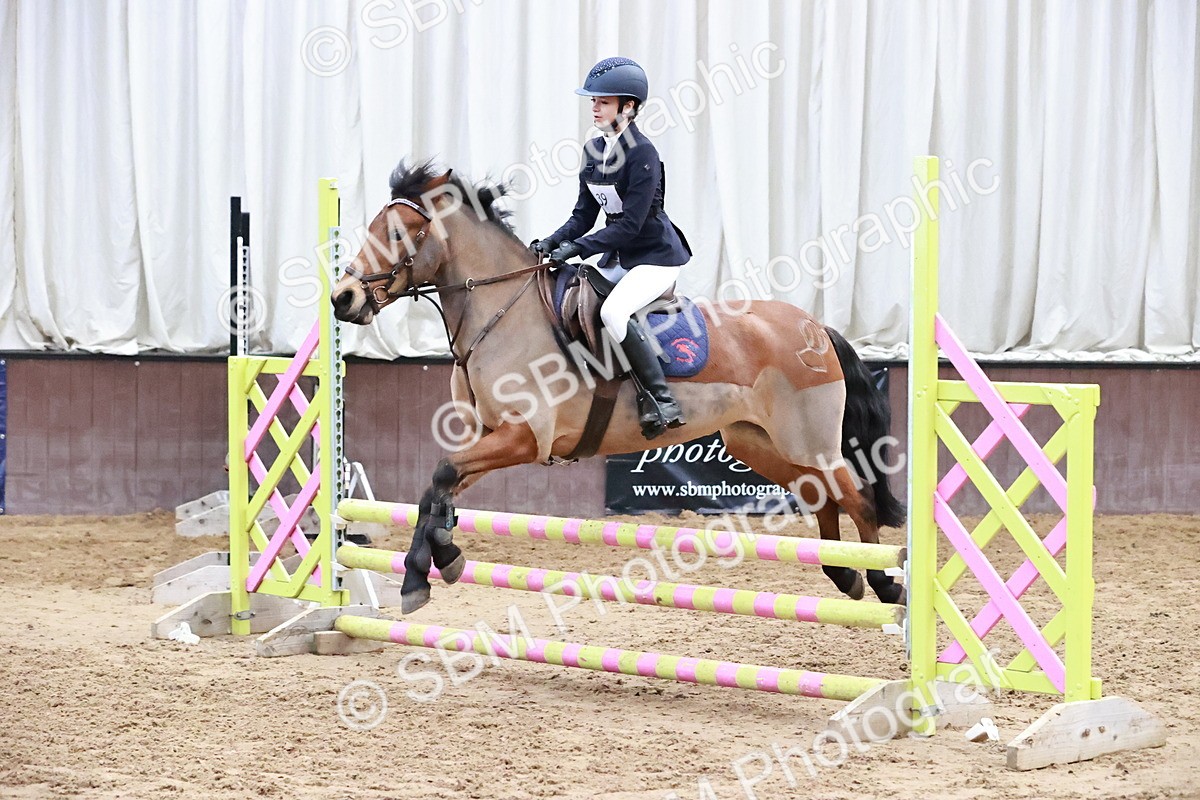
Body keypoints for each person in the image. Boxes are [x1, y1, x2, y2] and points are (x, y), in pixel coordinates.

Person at [533, 57, 692, 440]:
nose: (595, 107)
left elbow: (630, 225)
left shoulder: (643, 154)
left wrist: (576, 248)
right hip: (618, 256)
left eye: (603, 101)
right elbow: (583, 215)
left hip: (654, 259)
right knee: (569, 296)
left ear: (629, 107)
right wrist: (552, 242)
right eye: (594, 101)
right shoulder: (592, 151)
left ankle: (661, 399)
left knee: (616, 312)